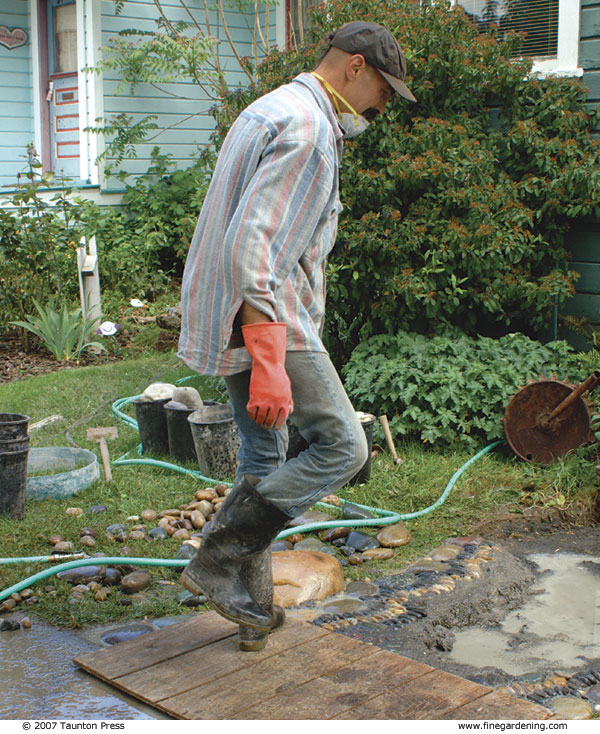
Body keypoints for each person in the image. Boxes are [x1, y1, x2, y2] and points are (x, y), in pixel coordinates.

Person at [177, 20, 416, 647]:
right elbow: (253, 247)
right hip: (268, 315)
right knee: (343, 446)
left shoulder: (270, 108)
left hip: (228, 309)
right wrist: (271, 360)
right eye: (383, 90)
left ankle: (249, 613)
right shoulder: (310, 132)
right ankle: (218, 556)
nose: (382, 106)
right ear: (355, 68)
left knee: (262, 459)